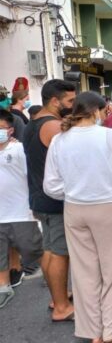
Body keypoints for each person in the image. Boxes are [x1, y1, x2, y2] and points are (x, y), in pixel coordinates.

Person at [44, 91, 112, 343]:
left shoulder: (60, 139)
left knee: (84, 273)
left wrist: (74, 190)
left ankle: (92, 331)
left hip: (74, 208)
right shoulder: (111, 137)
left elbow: (50, 185)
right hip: (106, 207)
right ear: (98, 110)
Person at [22, 79, 76, 321]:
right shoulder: (54, 126)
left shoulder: (32, 123)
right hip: (54, 200)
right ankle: (62, 307)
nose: (73, 106)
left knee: (50, 250)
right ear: (55, 101)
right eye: (70, 101)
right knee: (59, 253)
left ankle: (59, 295)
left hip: (38, 196)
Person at [0, 110, 43, 309]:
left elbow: (32, 178)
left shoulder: (19, 150)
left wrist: (34, 205)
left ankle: (55, 278)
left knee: (35, 250)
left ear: (10, 130)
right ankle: (3, 287)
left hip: (20, 212)